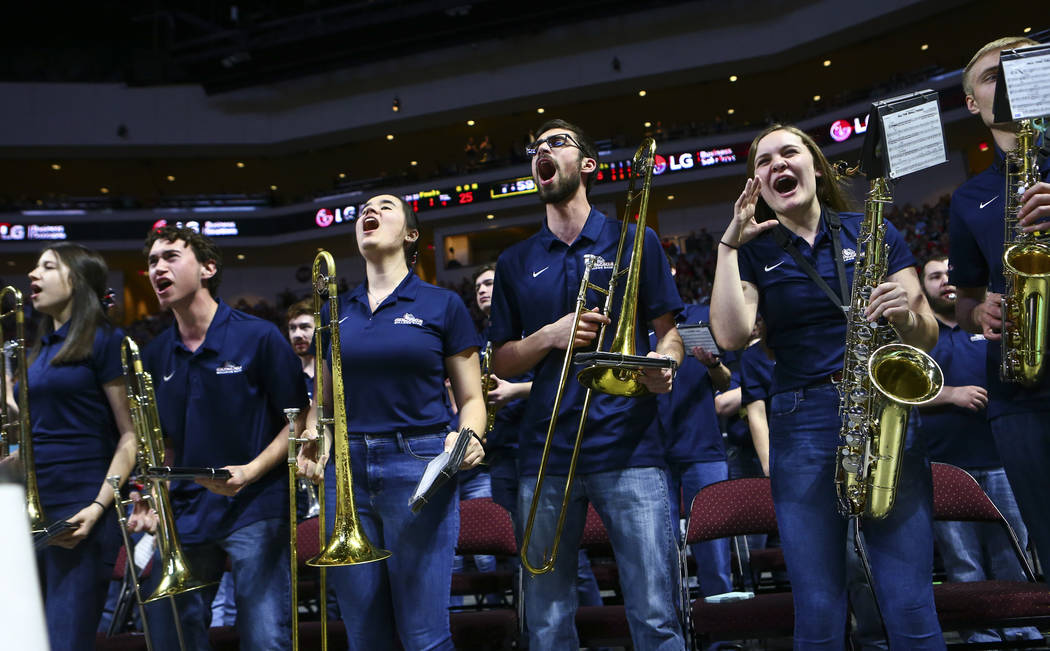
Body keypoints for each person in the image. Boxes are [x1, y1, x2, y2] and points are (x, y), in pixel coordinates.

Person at [710, 124, 944, 648]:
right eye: (763, 161)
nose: (776, 165)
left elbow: (926, 334)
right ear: (758, 185)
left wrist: (905, 317)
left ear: (816, 166)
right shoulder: (753, 251)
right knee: (818, 605)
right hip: (801, 418)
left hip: (883, 410)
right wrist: (728, 244)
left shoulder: (873, 229)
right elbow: (730, 334)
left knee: (908, 598)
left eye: (788, 153)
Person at [489, 119, 686, 649]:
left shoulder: (634, 239)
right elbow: (503, 361)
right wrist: (550, 336)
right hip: (545, 453)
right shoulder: (514, 261)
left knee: (654, 613)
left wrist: (661, 365)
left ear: (589, 165)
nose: (541, 152)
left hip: (630, 449)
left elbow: (670, 336)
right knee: (548, 623)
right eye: (534, 147)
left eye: (556, 143)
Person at [297, 193, 485, 650]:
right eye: (364, 209)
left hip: (418, 464)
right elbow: (323, 406)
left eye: (385, 207)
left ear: (411, 233)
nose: (370, 212)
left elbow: (472, 397)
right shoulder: (334, 311)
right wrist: (312, 436)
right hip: (346, 476)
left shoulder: (443, 304)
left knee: (424, 635)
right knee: (364, 637)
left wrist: (470, 435)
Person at [132, 225, 309, 650]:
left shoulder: (259, 336)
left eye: (171, 257)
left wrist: (250, 471)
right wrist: (151, 494)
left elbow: (298, 420)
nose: (158, 267)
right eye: (153, 261)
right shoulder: (155, 354)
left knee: (265, 636)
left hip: (258, 503)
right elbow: (166, 441)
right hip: (188, 510)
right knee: (168, 629)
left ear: (208, 267)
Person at [948, 35, 1050, 585]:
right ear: (971, 102)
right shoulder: (968, 197)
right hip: (1019, 392)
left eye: (1020, 68)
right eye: (991, 76)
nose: (1007, 82)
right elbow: (964, 300)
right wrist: (976, 313)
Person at [14, 244, 138, 650]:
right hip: (31, 508)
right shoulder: (40, 348)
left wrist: (99, 506)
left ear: (78, 280)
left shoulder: (106, 339)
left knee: (65, 641)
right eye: (35, 266)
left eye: (48, 266)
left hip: (79, 510)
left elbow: (130, 434)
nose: (34, 274)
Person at [918, 255, 1040, 644]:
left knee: (1012, 554)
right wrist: (951, 394)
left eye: (950, 274)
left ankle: (1018, 625)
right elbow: (896, 393)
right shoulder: (918, 336)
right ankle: (980, 634)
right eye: (934, 276)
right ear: (922, 288)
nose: (945, 281)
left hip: (1002, 458)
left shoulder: (991, 325)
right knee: (962, 562)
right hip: (944, 465)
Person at [650, 265, 733, 601]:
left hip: (703, 449)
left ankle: (722, 635)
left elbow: (725, 381)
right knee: (662, 555)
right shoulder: (635, 326)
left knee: (714, 553)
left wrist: (713, 364)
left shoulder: (700, 316)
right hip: (652, 455)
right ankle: (675, 633)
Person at [286, 298, 316, 399]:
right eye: (292, 328)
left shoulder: (334, 372)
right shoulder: (283, 374)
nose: (297, 335)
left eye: (304, 327)